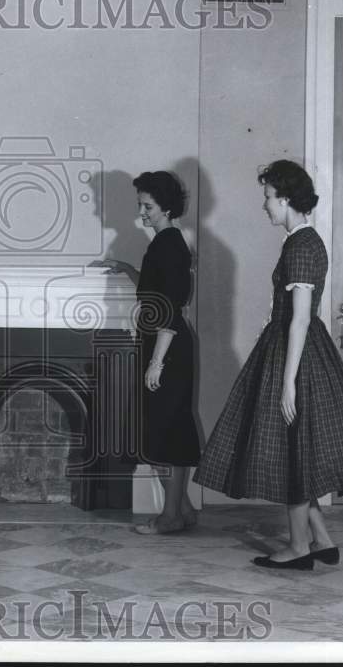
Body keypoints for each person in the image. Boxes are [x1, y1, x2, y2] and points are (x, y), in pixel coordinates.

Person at [194, 160, 343, 569]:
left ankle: (298, 547)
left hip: (297, 354)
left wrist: (288, 383)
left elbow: (301, 318)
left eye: (268, 197)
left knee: (292, 450)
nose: (264, 206)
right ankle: (320, 539)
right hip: (290, 349)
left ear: (285, 199)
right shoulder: (300, 242)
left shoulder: (302, 245)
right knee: (295, 447)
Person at [93, 170, 200, 534]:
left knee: (165, 432)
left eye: (148, 205)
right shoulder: (164, 242)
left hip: (166, 346)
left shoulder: (169, 243)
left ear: (167, 207)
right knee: (167, 429)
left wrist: (156, 362)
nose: (142, 211)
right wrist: (127, 270)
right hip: (161, 343)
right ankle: (182, 511)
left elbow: (169, 304)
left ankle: (170, 516)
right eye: (140, 203)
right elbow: (156, 290)